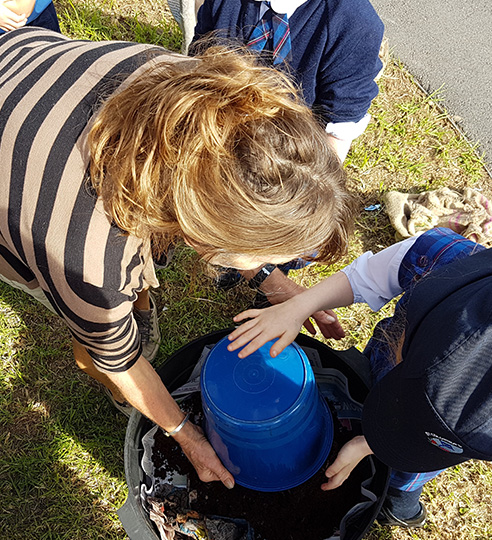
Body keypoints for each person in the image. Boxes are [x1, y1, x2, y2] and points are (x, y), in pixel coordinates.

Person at [0, 28, 352, 489]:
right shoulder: (87, 264)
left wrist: (273, 280)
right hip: (23, 168)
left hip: (21, 60)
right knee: (101, 345)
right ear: (207, 234)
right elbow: (116, 360)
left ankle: (141, 312)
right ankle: (124, 392)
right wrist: (186, 434)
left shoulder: (200, 98)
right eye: (269, 255)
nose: (277, 265)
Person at [228, 227, 492, 527]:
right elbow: (368, 277)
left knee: (408, 471)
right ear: (419, 317)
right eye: (407, 369)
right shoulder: (446, 260)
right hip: (385, 373)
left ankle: (402, 504)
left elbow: (424, 441)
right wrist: (300, 305)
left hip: (436, 448)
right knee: (371, 389)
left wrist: (374, 445)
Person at [188, 0, 385, 162]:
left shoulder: (354, 24)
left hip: (289, 155)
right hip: (215, 129)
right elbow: (199, 66)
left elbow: (337, 132)